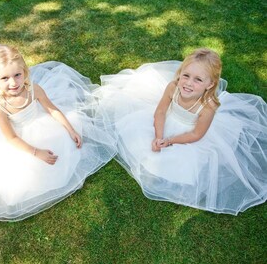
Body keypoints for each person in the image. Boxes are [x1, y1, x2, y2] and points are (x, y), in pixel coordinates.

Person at [0, 44, 116, 221]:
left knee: (65, 148)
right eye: (4, 78)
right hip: (21, 140)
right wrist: (36, 152)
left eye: (17, 75)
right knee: (20, 180)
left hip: (42, 124)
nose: (13, 82)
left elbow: (52, 109)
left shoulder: (34, 89)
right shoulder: (0, 107)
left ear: (25, 72)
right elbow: (11, 137)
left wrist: (70, 128)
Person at [94, 48, 267, 215]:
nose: (189, 83)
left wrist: (169, 141)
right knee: (139, 138)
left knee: (183, 165)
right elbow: (160, 111)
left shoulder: (208, 106)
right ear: (180, 73)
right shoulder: (173, 87)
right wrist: (159, 136)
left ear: (210, 84)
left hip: (189, 134)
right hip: (166, 122)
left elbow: (196, 134)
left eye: (198, 79)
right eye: (186, 75)